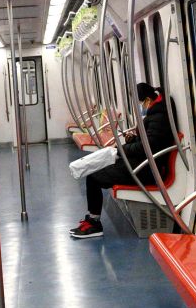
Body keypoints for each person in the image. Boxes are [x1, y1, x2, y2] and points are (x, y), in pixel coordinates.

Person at [70, 83, 176, 239]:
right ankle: (92, 220)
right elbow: (147, 142)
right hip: (143, 163)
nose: (140, 107)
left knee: (93, 177)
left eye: (140, 104)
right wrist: (132, 140)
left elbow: (150, 146)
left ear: (147, 100)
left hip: (147, 170)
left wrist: (123, 149)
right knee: (97, 170)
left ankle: (94, 224)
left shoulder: (159, 117)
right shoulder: (157, 113)